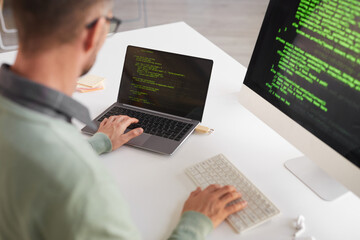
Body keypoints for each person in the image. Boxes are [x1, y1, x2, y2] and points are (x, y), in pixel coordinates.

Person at [0, 0, 247, 239]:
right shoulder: (80, 181)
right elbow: (57, 167)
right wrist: (195, 223)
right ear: (94, 32)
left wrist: (97, 144)